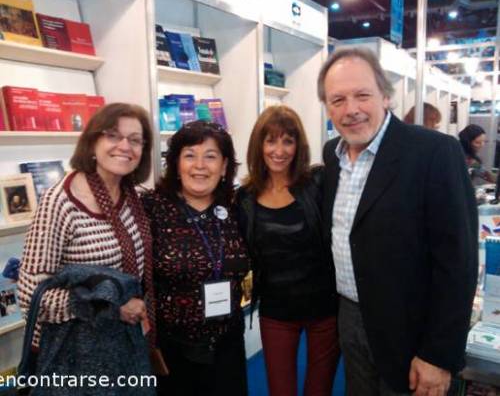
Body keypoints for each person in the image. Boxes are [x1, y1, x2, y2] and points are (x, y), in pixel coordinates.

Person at [317, 47, 478, 396]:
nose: (352, 110)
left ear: (385, 96)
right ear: (327, 107)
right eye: (338, 100)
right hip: (350, 318)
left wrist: (437, 354)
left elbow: (458, 264)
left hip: (412, 330)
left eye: (362, 95)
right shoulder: (332, 155)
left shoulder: (435, 152)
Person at [17, 103, 156, 388]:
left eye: (134, 139)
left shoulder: (131, 195)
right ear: (93, 141)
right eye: (113, 135)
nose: (124, 146)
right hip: (79, 353)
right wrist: (111, 309)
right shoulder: (60, 202)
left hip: (126, 344)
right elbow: (30, 295)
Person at [141, 120, 251, 396]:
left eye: (211, 156)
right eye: (190, 155)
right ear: (176, 163)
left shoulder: (238, 206)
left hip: (227, 344)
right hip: (172, 348)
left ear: (225, 166)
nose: (200, 165)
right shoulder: (151, 208)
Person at [237, 105, 339, 396]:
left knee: (319, 390)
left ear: (298, 145)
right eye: (271, 140)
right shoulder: (245, 197)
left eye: (287, 141)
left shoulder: (317, 183)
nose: (278, 150)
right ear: (259, 144)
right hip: (276, 312)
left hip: (324, 310)